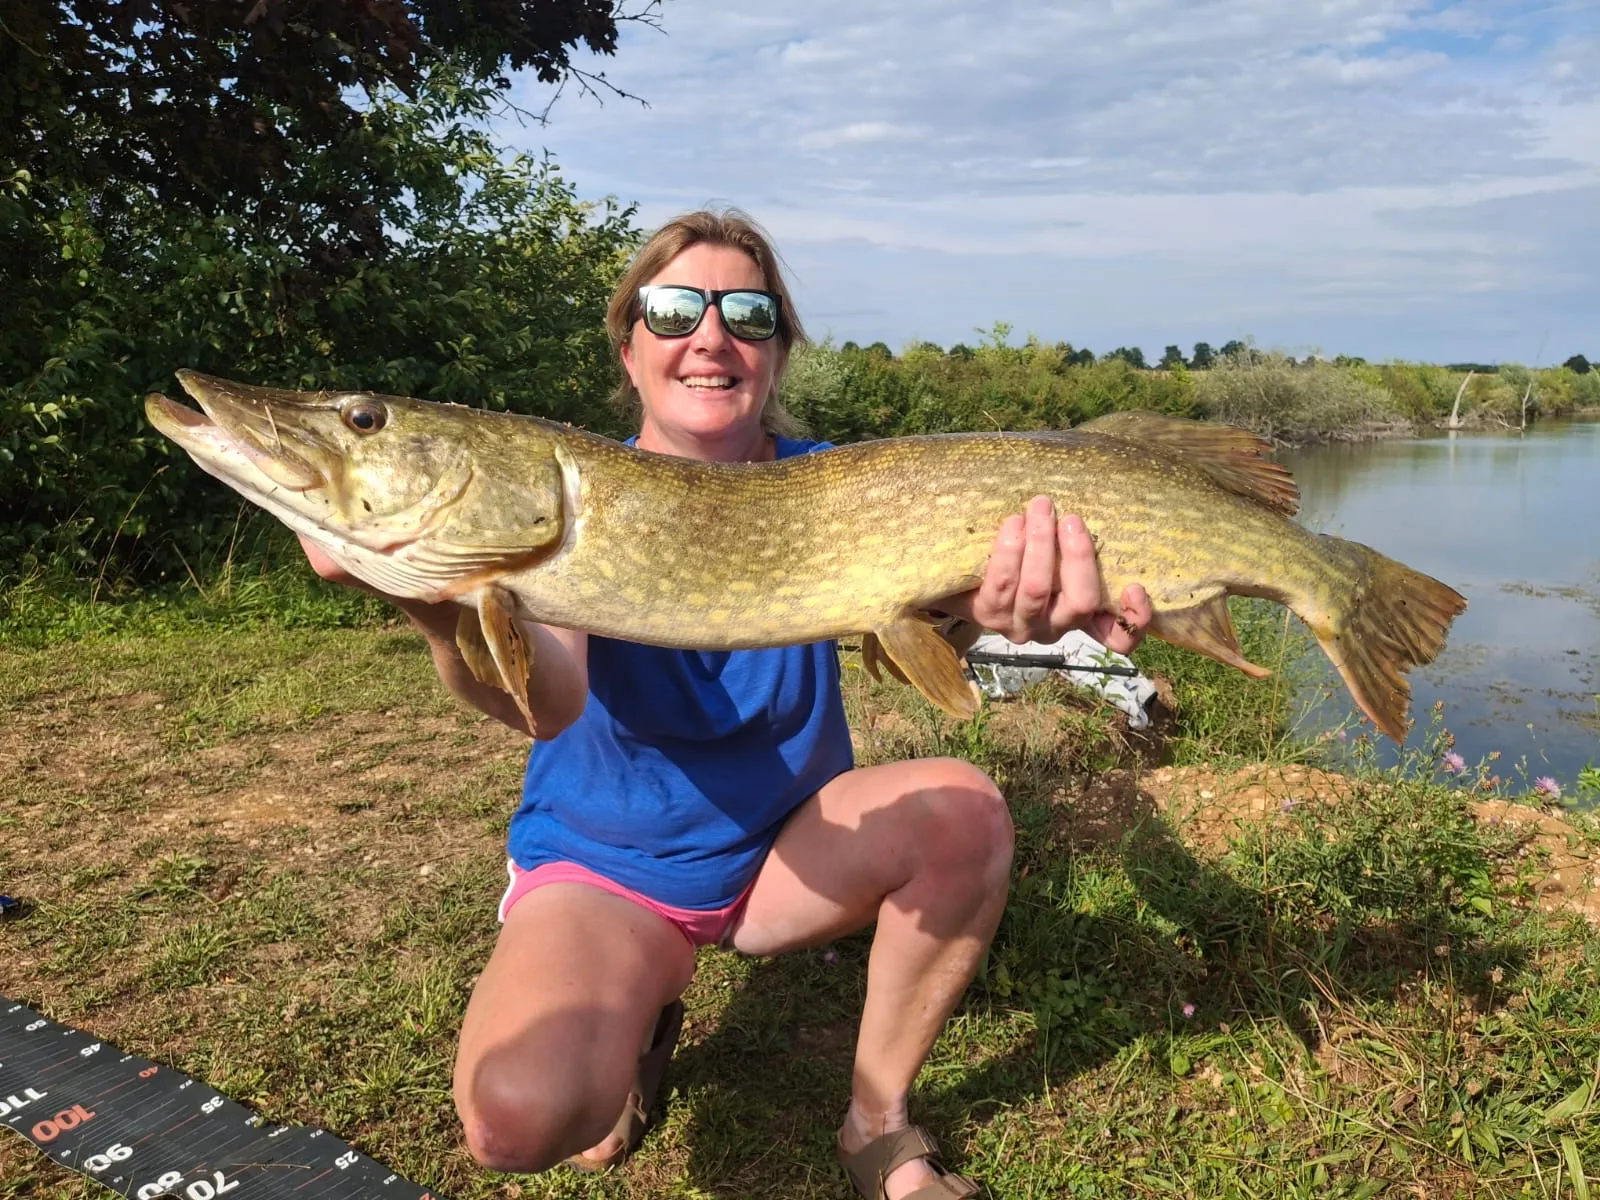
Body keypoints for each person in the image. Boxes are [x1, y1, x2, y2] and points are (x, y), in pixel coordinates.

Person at [301, 209, 1152, 1200]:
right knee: (516, 1118)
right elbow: (549, 703)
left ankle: (877, 1122)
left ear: (779, 351)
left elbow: (951, 616)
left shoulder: (843, 484)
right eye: (673, 310)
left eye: (748, 314)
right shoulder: (568, 499)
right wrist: (437, 611)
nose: (710, 335)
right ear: (631, 349)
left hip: (788, 853)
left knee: (965, 809)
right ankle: (638, 999)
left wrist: (1025, 615)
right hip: (615, 871)